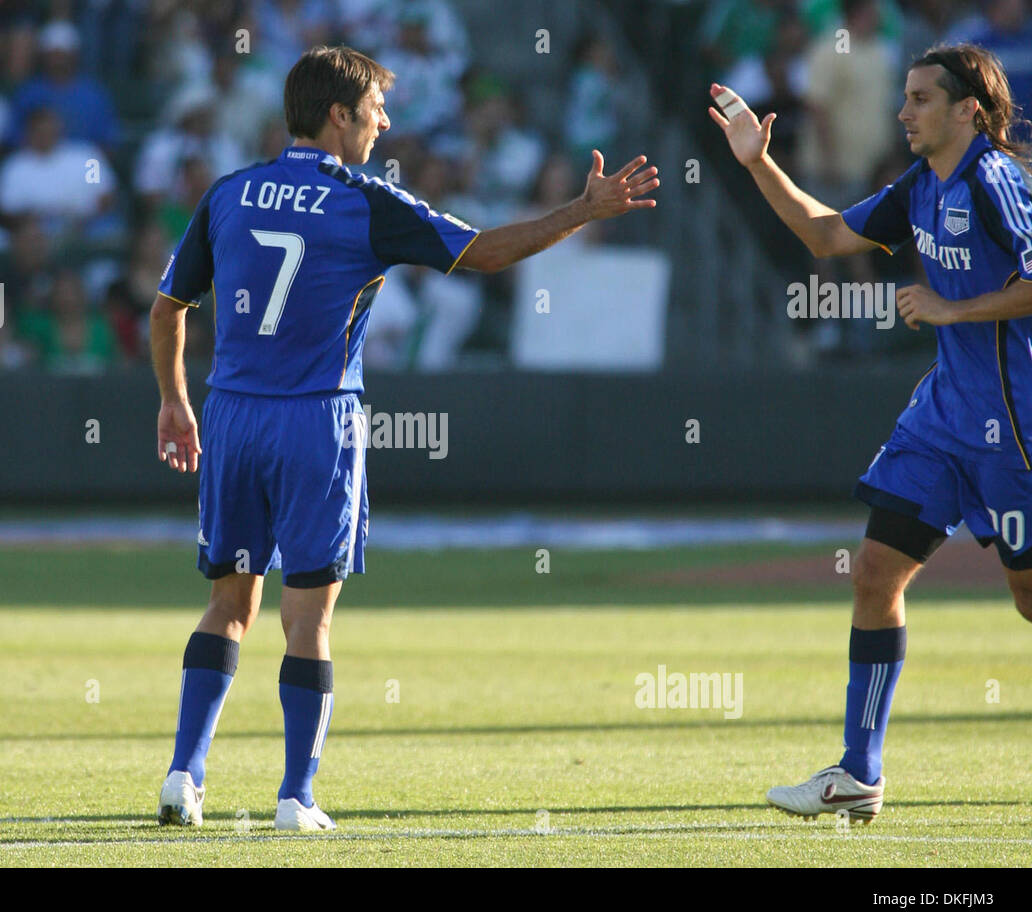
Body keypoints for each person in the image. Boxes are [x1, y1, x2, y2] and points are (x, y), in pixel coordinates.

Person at [150, 44, 658, 831]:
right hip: (316, 420)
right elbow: (481, 251)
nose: (384, 124)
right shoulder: (366, 200)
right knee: (308, 618)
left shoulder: (230, 193)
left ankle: (183, 775)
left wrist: (174, 403)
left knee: (227, 604)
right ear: (337, 115)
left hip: (231, 415)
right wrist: (584, 211)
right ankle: (296, 795)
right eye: (375, 110)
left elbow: (166, 307)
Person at [710, 44, 1032, 823]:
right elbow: (826, 235)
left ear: (969, 110)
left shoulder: (994, 182)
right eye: (905, 97)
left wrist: (951, 309)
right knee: (873, 573)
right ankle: (860, 772)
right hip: (941, 420)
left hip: (1017, 429)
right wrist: (758, 163)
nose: (904, 112)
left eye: (922, 99)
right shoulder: (921, 184)